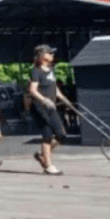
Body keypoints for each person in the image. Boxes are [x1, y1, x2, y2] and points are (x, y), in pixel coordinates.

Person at [30, 44, 72, 175]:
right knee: (47, 135)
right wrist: (44, 100)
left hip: (51, 106)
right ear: (42, 57)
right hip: (41, 107)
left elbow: (55, 88)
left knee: (61, 134)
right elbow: (32, 90)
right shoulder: (36, 71)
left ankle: (41, 154)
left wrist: (63, 98)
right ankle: (48, 166)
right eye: (50, 53)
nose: (52, 55)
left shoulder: (50, 70)